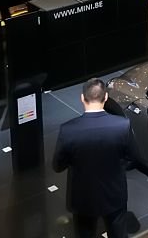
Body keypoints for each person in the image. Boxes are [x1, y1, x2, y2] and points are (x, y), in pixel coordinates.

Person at [53, 78, 134, 238]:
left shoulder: (68, 130)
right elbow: (132, 157)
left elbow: (58, 166)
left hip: (83, 198)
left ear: (82, 98)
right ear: (105, 98)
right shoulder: (122, 125)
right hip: (114, 194)